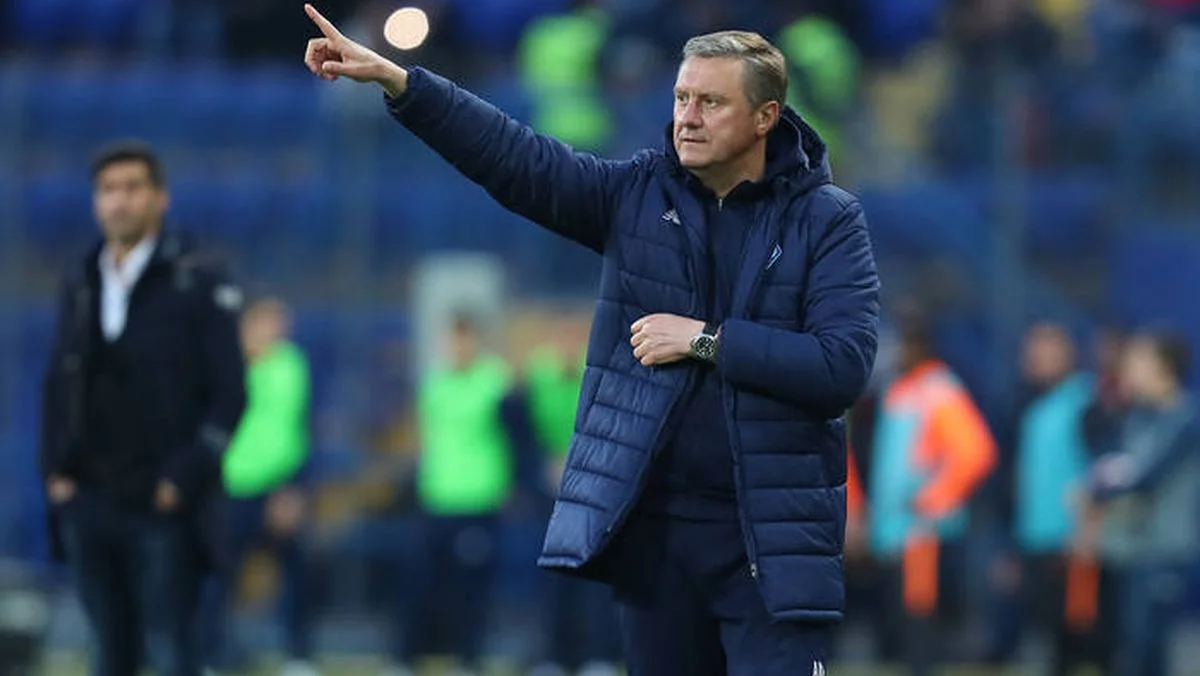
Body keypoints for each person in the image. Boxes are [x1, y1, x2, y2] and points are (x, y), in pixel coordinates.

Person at [303, 6, 880, 673]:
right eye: (682, 98)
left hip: (770, 544)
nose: (687, 117)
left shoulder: (827, 220)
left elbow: (842, 367)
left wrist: (707, 341)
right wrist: (403, 83)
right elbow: (516, 158)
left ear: (765, 117)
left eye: (711, 102)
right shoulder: (637, 195)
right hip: (659, 543)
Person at [39, 141, 246, 676]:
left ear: (160, 198)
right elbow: (58, 380)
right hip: (90, 497)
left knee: (170, 650)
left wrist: (182, 477)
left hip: (163, 503)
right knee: (109, 652)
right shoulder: (81, 278)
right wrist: (55, 470)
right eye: (108, 189)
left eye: (133, 188)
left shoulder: (198, 278)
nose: (120, 201)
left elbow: (230, 394)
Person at [865, 303, 996, 675]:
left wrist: (933, 498)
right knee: (902, 628)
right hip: (894, 533)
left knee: (919, 627)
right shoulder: (900, 390)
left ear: (920, 345)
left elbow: (976, 452)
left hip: (921, 534)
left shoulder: (939, 390)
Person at [391, 313, 516, 675]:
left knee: (470, 590)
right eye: (452, 341)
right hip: (436, 498)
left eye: (464, 340)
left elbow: (514, 437)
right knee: (421, 584)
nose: (458, 348)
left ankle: (468, 660)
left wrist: (506, 485)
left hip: (478, 500)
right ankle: (406, 659)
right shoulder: (434, 383)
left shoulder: (496, 382)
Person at [202, 297, 317, 676]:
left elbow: (297, 428)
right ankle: (213, 657)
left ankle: (298, 656)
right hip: (230, 488)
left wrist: (292, 487)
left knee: (297, 574)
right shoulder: (222, 364)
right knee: (218, 579)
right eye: (269, 321)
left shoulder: (291, 365)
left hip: (277, 488)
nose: (278, 330)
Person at [1080, 329, 1200, 676]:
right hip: (1127, 548)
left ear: (1163, 366)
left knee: (1147, 646)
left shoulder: (1184, 419)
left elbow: (1144, 477)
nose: (1129, 369)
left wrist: (1104, 486)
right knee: (1126, 646)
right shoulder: (1134, 416)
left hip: (1163, 549)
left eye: (1138, 360)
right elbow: (1104, 465)